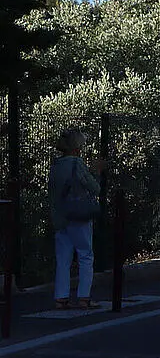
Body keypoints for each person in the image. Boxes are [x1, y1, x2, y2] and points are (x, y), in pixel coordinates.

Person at [48, 128, 101, 310]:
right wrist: (96, 172)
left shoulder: (55, 165)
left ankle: (61, 298)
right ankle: (84, 297)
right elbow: (94, 188)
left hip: (61, 217)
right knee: (85, 255)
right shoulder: (77, 164)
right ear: (77, 147)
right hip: (78, 215)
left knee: (63, 258)